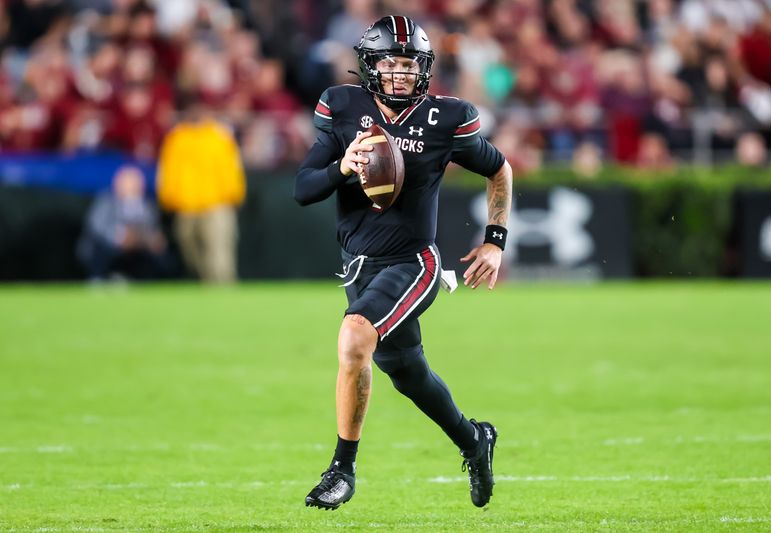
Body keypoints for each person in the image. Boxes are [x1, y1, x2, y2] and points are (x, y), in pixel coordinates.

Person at [294, 16, 513, 510]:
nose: (400, 73)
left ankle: (341, 470)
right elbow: (303, 188)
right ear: (369, 66)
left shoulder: (446, 118)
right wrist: (342, 166)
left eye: (409, 64)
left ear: (425, 68)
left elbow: (500, 169)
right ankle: (475, 441)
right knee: (407, 372)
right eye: (390, 63)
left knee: (354, 337)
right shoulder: (342, 105)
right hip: (358, 264)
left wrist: (495, 240)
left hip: (414, 261)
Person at [157, 99, 246, 284]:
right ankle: (204, 286)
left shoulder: (219, 137)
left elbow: (232, 169)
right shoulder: (176, 138)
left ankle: (223, 291)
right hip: (186, 205)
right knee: (190, 251)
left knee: (219, 253)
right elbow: (168, 172)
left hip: (217, 204)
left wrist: (234, 196)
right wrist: (169, 199)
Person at [77, 165, 169, 281]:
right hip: (111, 244)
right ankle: (98, 278)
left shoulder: (147, 205)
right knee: (97, 247)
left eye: (136, 184)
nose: (133, 187)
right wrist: (119, 236)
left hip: (138, 246)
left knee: (160, 252)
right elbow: (97, 225)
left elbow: (152, 227)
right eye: (129, 184)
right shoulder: (106, 200)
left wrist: (150, 239)